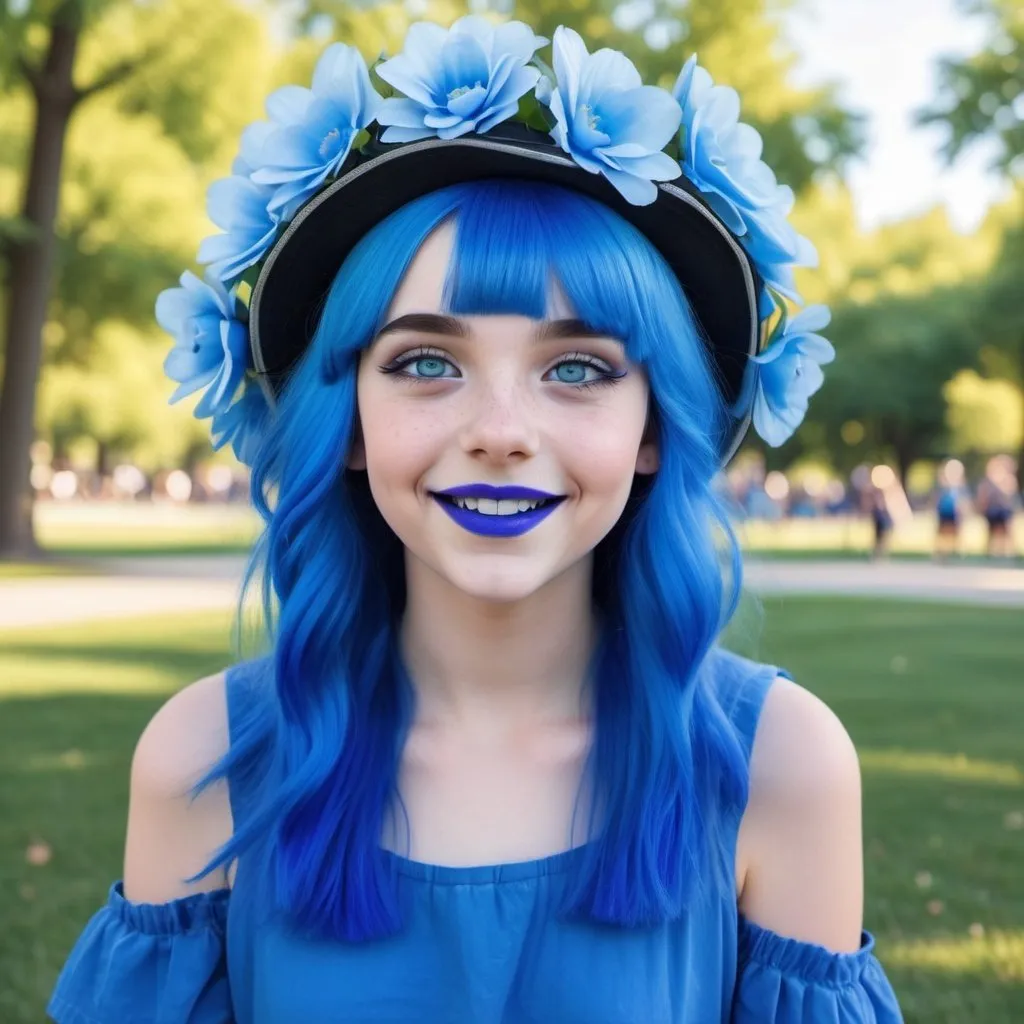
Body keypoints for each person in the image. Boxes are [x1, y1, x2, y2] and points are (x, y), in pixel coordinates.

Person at [47, 18, 902, 1023]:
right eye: (425, 363)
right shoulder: (204, 759)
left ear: (652, 429)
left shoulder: (777, 766)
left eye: (576, 368)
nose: (500, 431)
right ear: (349, 422)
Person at [977, 455, 1019, 561]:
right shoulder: (988, 481)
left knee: (1006, 531)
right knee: (991, 532)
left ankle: (1008, 553)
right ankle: (990, 553)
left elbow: (1010, 494)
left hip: (1004, 510)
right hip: (992, 510)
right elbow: (984, 495)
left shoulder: (1008, 479)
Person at [933, 458, 967, 562]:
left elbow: (963, 499)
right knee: (942, 532)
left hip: (955, 512)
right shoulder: (942, 485)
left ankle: (955, 551)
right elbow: (936, 498)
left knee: (955, 532)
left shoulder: (960, 486)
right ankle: (941, 552)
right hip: (944, 511)